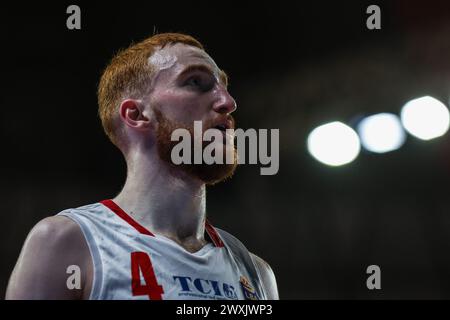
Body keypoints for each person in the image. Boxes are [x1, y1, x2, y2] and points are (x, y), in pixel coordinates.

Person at [5, 33, 279, 300]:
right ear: (136, 114)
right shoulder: (67, 243)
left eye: (224, 87)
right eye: (196, 81)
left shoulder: (256, 273)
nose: (228, 103)